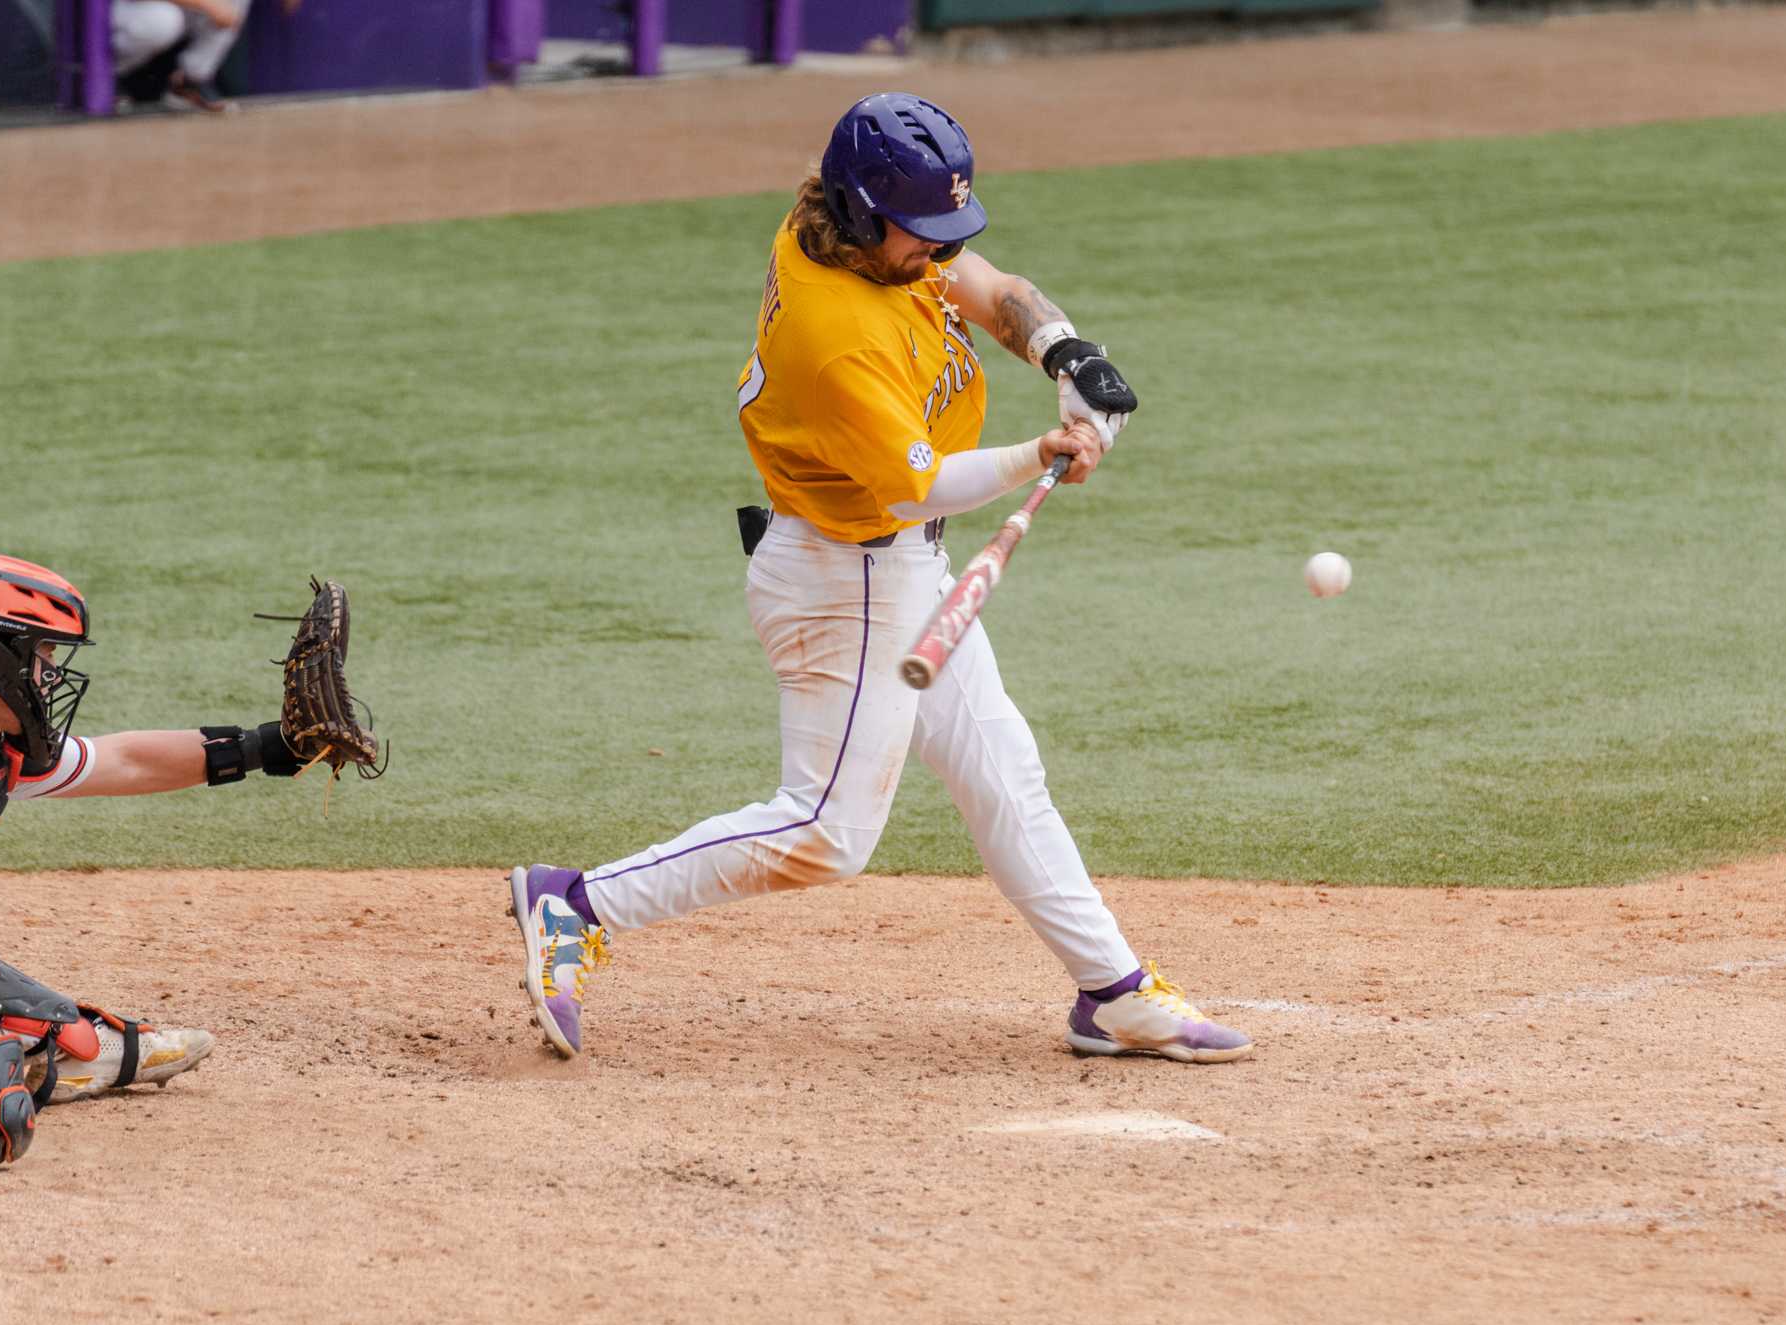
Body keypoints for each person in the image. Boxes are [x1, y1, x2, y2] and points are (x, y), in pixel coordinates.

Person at [509, 93, 1252, 1068]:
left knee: (1000, 773)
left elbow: (978, 281)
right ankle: (574, 906)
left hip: (896, 571)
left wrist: (1066, 352)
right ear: (865, 216)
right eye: (920, 231)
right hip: (846, 580)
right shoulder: (835, 333)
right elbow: (915, 493)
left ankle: (1110, 994)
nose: (935, 250)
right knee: (825, 833)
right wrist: (1042, 450)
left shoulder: (853, 229)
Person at [0, 550, 321, 1171]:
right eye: (42, 659)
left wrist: (264, 746)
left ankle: (43, 1052)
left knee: (10, 1000)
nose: (51, 678)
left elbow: (123, 760)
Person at [113, 0, 257, 112]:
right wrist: (207, 4)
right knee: (162, 20)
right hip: (110, 14)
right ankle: (102, 81)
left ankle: (191, 81)